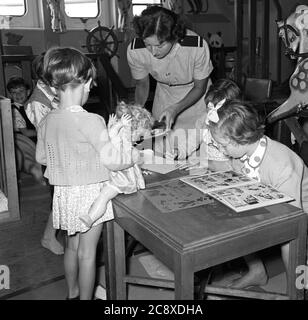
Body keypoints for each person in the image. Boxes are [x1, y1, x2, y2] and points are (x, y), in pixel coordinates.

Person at [35, 46, 140, 300]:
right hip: (91, 195)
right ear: (87, 82)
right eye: (91, 85)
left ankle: (71, 293)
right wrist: (135, 155)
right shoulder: (92, 120)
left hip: (63, 195)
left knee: (72, 247)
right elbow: (113, 162)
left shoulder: (48, 119)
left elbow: (41, 157)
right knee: (88, 253)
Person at [207, 99, 308, 289]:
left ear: (241, 139)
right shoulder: (247, 150)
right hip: (274, 201)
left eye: (223, 145)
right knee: (231, 217)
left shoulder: (281, 165)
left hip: (299, 211)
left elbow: (293, 222)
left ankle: (295, 290)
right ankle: (257, 271)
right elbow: (229, 166)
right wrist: (203, 164)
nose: (221, 150)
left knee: (289, 244)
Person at [127, 6, 213, 155]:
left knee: (197, 152)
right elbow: (142, 83)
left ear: (174, 36)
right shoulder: (135, 50)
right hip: (165, 96)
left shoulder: (195, 46)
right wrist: (137, 111)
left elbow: (200, 87)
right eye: (148, 45)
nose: (153, 52)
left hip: (196, 99)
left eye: (160, 45)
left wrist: (175, 108)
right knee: (162, 151)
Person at [79, 102, 149, 227]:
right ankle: (90, 217)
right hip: (118, 176)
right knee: (103, 195)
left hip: (118, 176)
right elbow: (113, 136)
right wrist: (118, 126)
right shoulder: (123, 141)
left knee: (104, 195)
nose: (141, 138)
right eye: (141, 134)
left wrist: (116, 126)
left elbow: (111, 137)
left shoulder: (125, 143)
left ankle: (91, 217)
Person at [24, 53, 64, 255]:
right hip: (52, 157)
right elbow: (47, 133)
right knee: (59, 198)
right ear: (44, 79)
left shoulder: (53, 93)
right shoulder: (37, 103)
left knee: (64, 197)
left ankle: (63, 226)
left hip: (63, 153)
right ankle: (48, 236)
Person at [176, 78, 242, 171]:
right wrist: (179, 151)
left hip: (227, 171)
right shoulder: (203, 120)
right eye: (209, 109)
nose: (211, 114)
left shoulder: (237, 126)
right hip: (205, 170)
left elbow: (235, 164)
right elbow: (191, 141)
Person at [6, 77, 44, 184]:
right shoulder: (14, 109)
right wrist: (42, 132)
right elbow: (26, 132)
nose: (18, 95)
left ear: (28, 92)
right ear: (10, 95)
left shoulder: (30, 106)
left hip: (31, 135)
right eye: (14, 92)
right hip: (22, 138)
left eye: (21, 91)